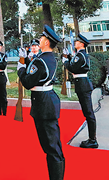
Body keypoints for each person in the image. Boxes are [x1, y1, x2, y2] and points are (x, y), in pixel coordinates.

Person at [17, 25, 65, 180]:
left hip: (43, 104)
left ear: (46, 43)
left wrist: (21, 68)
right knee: (53, 145)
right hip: (46, 101)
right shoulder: (48, 58)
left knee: (51, 146)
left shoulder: (41, 61)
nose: (40, 40)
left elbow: (28, 82)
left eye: (42, 38)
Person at [62, 33, 98, 149]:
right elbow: (76, 65)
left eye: (77, 42)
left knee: (88, 113)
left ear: (81, 44)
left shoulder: (80, 55)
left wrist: (65, 61)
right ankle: (92, 139)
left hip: (82, 84)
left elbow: (73, 67)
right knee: (88, 113)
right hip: (82, 83)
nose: (75, 43)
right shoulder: (81, 55)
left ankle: (93, 140)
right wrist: (68, 58)